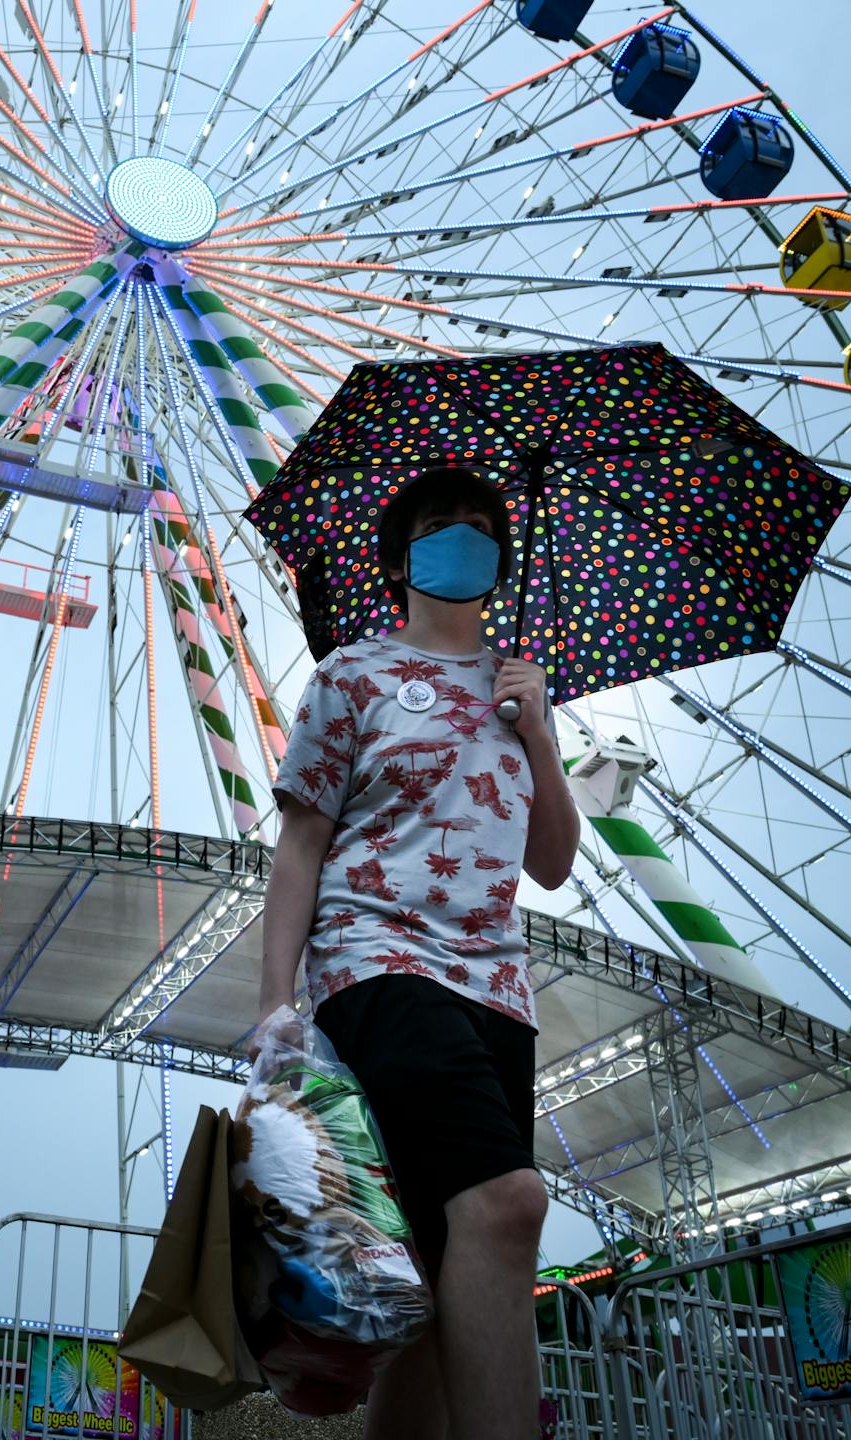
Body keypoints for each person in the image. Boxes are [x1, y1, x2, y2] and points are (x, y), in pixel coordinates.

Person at [255, 466, 579, 1440]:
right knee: (509, 1202)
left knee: (441, 1281)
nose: (463, 541)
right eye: (443, 527)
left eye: (482, 530)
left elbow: (553, 863)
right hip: (376, 965)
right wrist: (278, 1008)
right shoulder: (353, 677)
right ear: (403, 559)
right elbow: (301, 844)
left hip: (498, 991)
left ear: (500, 567)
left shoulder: (520, 696)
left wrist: (546, 741)